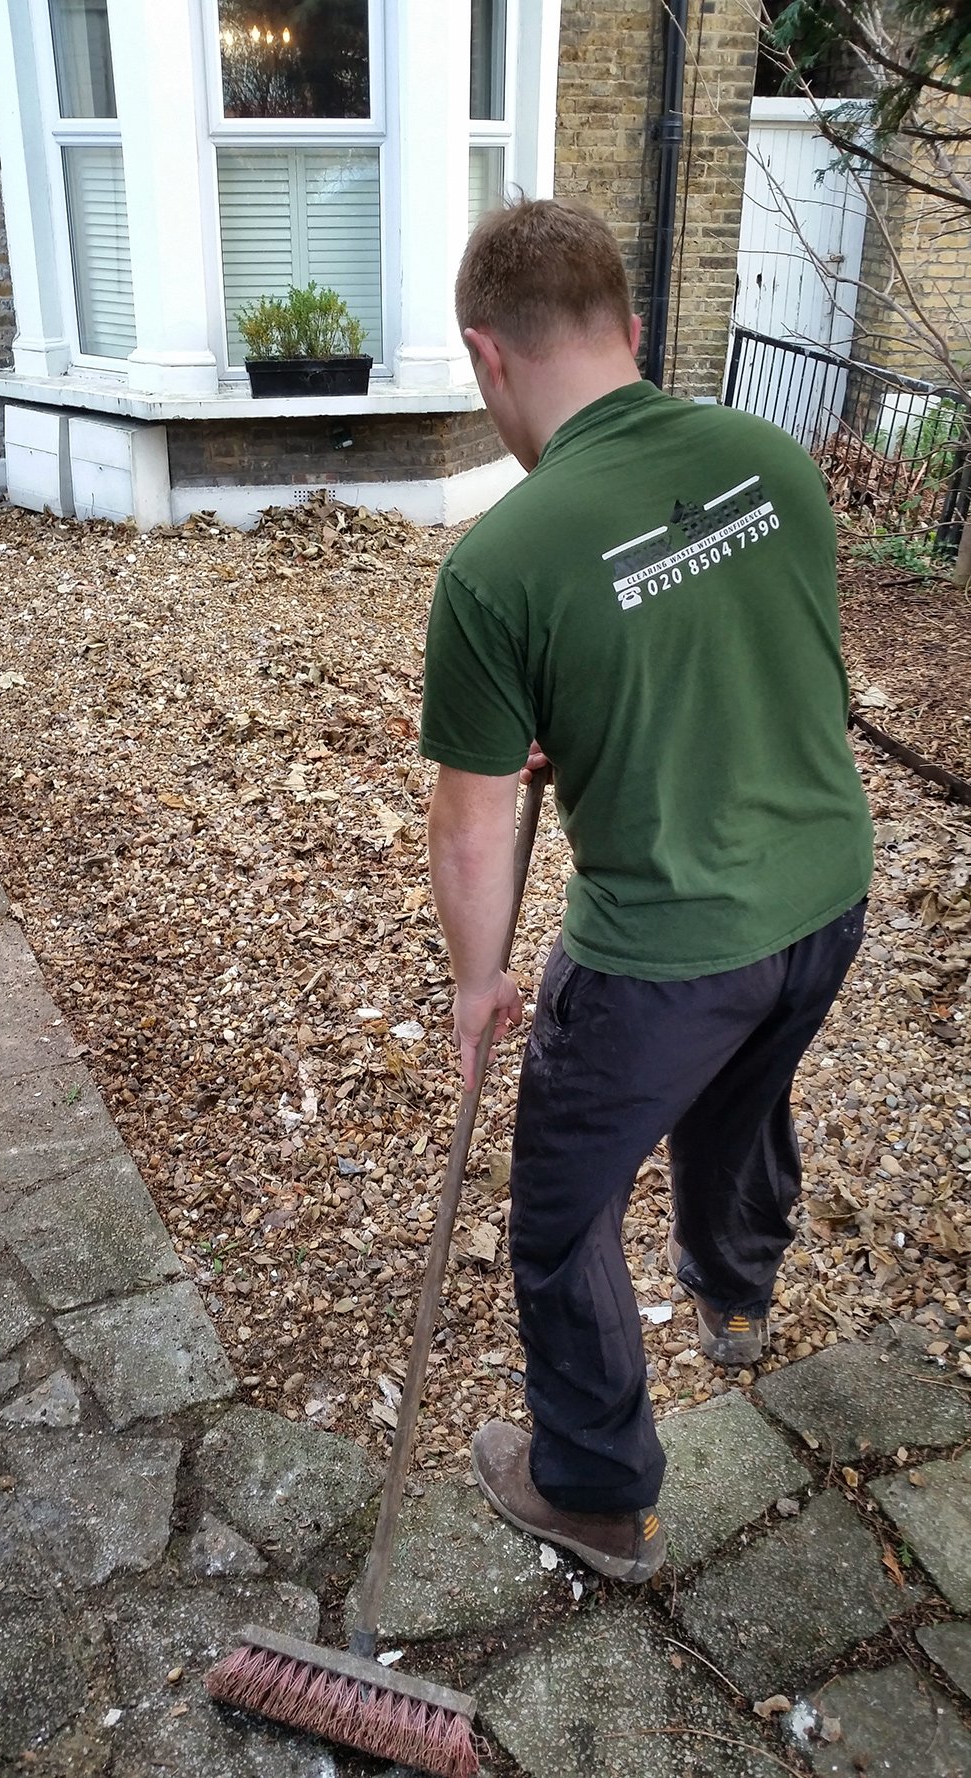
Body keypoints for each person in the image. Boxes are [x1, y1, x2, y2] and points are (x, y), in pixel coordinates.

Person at [419, 199, 873, 1584]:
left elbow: (473, 826)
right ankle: (735, 1291)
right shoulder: (771, 460)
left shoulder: (498, 565)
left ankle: (597, 1491)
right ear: (629, 329)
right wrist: (597, 717)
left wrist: (477, 985)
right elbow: (753, 662)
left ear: (488, 357)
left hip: (665, 958)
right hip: (828, 900)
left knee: (561, 1216)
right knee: (743, 1087)